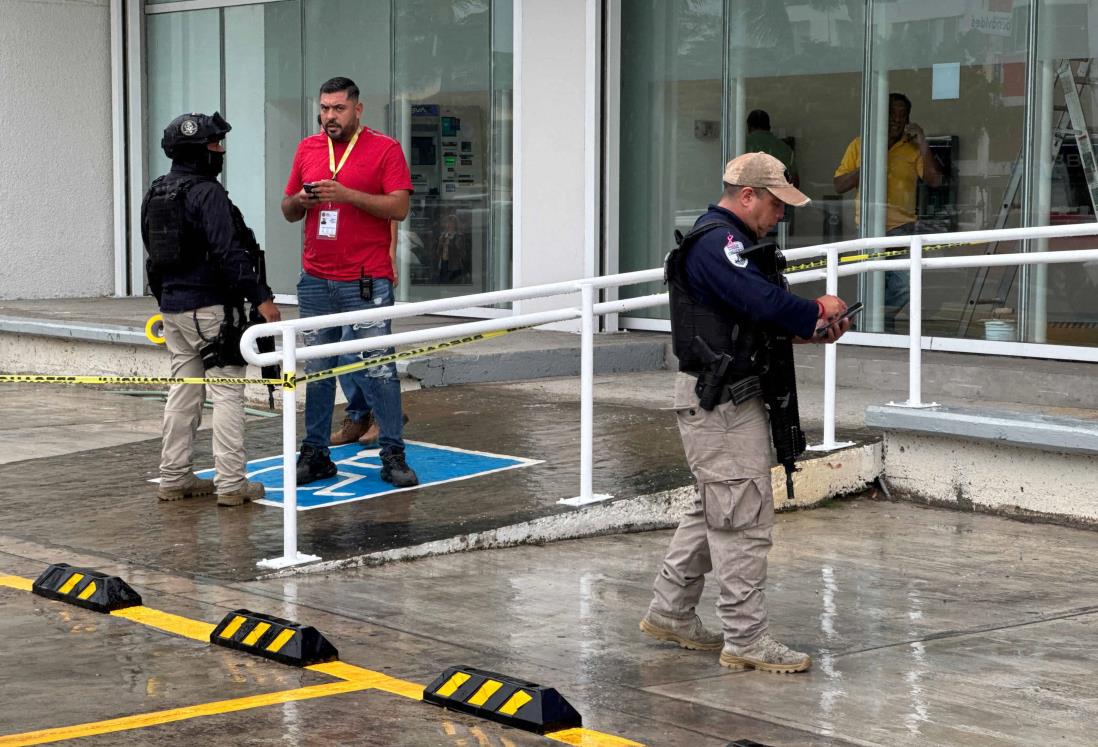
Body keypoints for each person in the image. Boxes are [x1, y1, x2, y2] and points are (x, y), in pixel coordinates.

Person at [639, 152, 851, 673]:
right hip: (722, 402)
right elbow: (759, 300)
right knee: (743, 519)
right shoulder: (718, 243)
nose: (781, 215)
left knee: (718, 508)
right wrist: (814, 311)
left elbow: (746, 320)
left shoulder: (726, 243)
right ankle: (746, 640)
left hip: (726, 396)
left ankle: (670, 611)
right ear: (748, 195)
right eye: (776, 203)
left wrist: (807, 330)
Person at [281, 76, 418, 488]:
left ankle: (393, 453)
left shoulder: (384, 149)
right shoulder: (307, 148)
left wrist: (347, 195)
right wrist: (299, 202)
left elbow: (400, 207)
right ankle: (316, 453)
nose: (329, 117)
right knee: (319, 368)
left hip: (365, 281)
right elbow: (287, 209)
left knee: (378, 368)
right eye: (324, 108)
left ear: (358, 110)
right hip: (316, 280)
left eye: (338, 109)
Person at [142, 111, 281, 507]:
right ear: (200, 152)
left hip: (173, 310)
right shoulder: (208, 194)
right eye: (215, 145)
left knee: (183, 392)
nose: (221, 151)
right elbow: (230, 253)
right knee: (227, 392)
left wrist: (168, 299)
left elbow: (152, 256)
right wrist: (262, 299)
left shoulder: (156, 191)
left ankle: (173, 478)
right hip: (211, 312)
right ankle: (232, 484)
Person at [833, 92, 942, 331]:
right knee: (872, 282)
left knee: (905, 284)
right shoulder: (861, 144)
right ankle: (877, 328)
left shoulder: (912, 149)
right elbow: (840, 185)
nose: (896, 120)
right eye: (892, 114)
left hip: (903, 228)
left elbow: (934, 180)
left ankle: (871, 323)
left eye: (902, 115)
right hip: (870, 228)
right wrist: (872, 158)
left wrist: (923, 141)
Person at [331, 221, 407, 447]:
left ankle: (384, 414)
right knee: (343, 351)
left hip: (369, 271)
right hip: (339, 270)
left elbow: (392, 214)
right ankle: (360, 416)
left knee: (364, 351)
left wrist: (390, 255)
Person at [745, 109, 798, 186]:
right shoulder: (785, 148)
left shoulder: (741, 145)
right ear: (769, 127)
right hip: (778, 195)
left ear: (749, 127)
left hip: (751, 194)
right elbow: (795, 181)